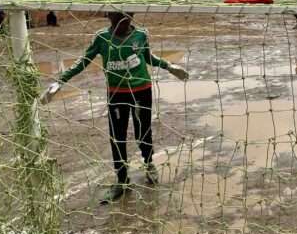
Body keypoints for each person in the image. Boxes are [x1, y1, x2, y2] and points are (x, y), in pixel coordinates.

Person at [42, 12, 188, 203]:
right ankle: (121, 180)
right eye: (115, 18)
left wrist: (169, 66)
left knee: (143, 130)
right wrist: (60, 81)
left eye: (125, 18)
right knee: (117, 136)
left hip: (141, 90)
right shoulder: (102, 37)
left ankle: (149, 163)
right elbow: (83, 61)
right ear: (108, 17)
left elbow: (148, 57)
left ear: (132, 16)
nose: (121, 23)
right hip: (117, 93)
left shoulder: (141, 35)